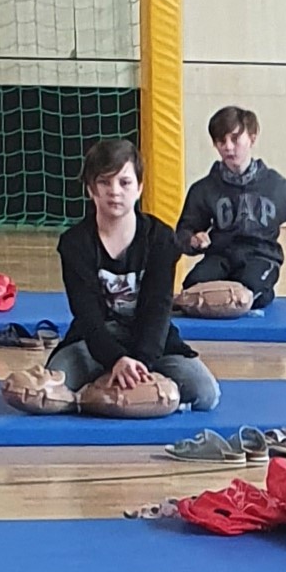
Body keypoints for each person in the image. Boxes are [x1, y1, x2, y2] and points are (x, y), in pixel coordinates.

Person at [50, 138, 218, 411]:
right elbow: (87, 315)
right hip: (94, 341)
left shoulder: (161, 239)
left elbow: (158, 308)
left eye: (124, 182)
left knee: (205, 395)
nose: (114, 191)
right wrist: (115, 359)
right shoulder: (75, 243)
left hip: (150, 339)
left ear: (139, 187)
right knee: (53, 389)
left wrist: (142, 363)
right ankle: (105, 388)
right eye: (104, 182)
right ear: (91, 189)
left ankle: (108, 391)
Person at [175, 106, 286, 308]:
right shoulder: (204, 189)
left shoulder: (275, 187)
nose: (228, 147)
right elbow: (184, 231)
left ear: (252, 138)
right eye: (221, 141)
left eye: (235, 139)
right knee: (192, 288)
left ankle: (253, 294)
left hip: (261, 257)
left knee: (246, 295)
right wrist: (193, 240)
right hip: (221, 256)